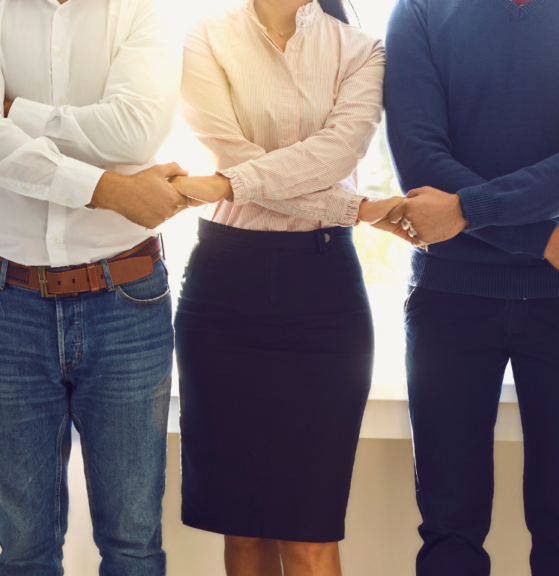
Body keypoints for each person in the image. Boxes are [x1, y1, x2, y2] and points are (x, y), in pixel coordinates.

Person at [382, 0, 559, 573]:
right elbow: (419, 159)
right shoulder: (421, 9)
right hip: (449, 300)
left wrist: (474, 211)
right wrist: (544, 240)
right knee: (448, 531)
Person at [169, 1, 404, 574]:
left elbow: (334, 154)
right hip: (223, 288)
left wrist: (223, 185)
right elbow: (228, 154)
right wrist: (358, 208)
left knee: (309, 533)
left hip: (322, 292)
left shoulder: (361, 48)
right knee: (243, 529)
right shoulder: (205, 36)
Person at [0, 0, 187, 574]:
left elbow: (133, 132)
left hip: (126, 298)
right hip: (12, 303)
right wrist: (111, 190)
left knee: (132, 545)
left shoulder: (145, 9)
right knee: (22, 549)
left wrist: (13, 113)